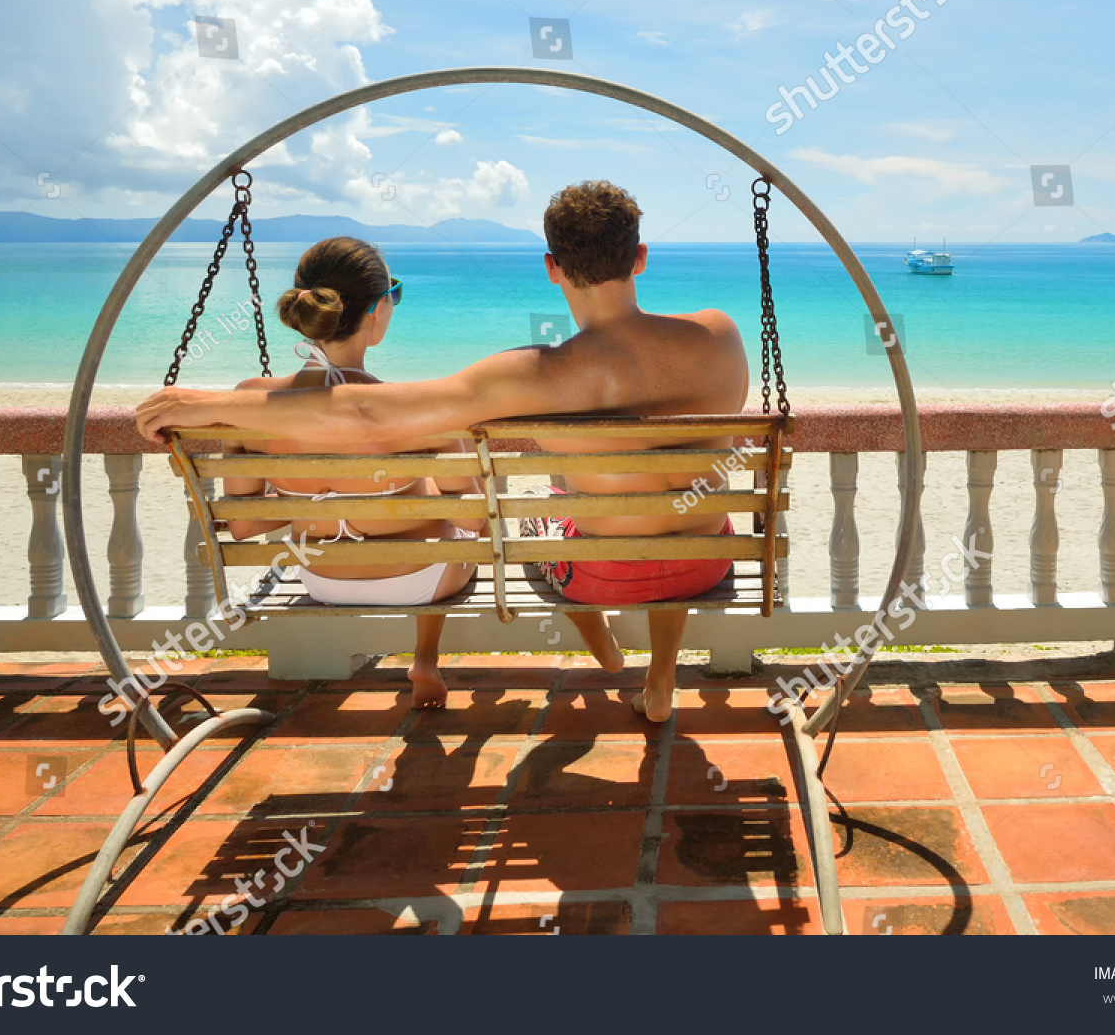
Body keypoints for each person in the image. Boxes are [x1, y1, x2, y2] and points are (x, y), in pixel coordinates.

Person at [138, 182, 749, 722]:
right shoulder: (721, 333)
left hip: (599, 578)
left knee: (548, 512)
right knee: (673, 506)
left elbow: (368, 410)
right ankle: (660, 673)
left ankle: (609, 653)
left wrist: (208, 404)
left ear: (552, 268)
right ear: (639, 257)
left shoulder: (540, 373)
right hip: (709, 562)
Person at [215, 236, 481, 709]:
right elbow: (475, 521)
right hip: (419, 579)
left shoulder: (248, 401)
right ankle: (425, 656)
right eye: (391, 295)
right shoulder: (419, 408)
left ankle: (424, 656)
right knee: (446, 523)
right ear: (376, 311)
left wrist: (315, 498)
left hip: (321, 579)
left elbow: (244, 524)